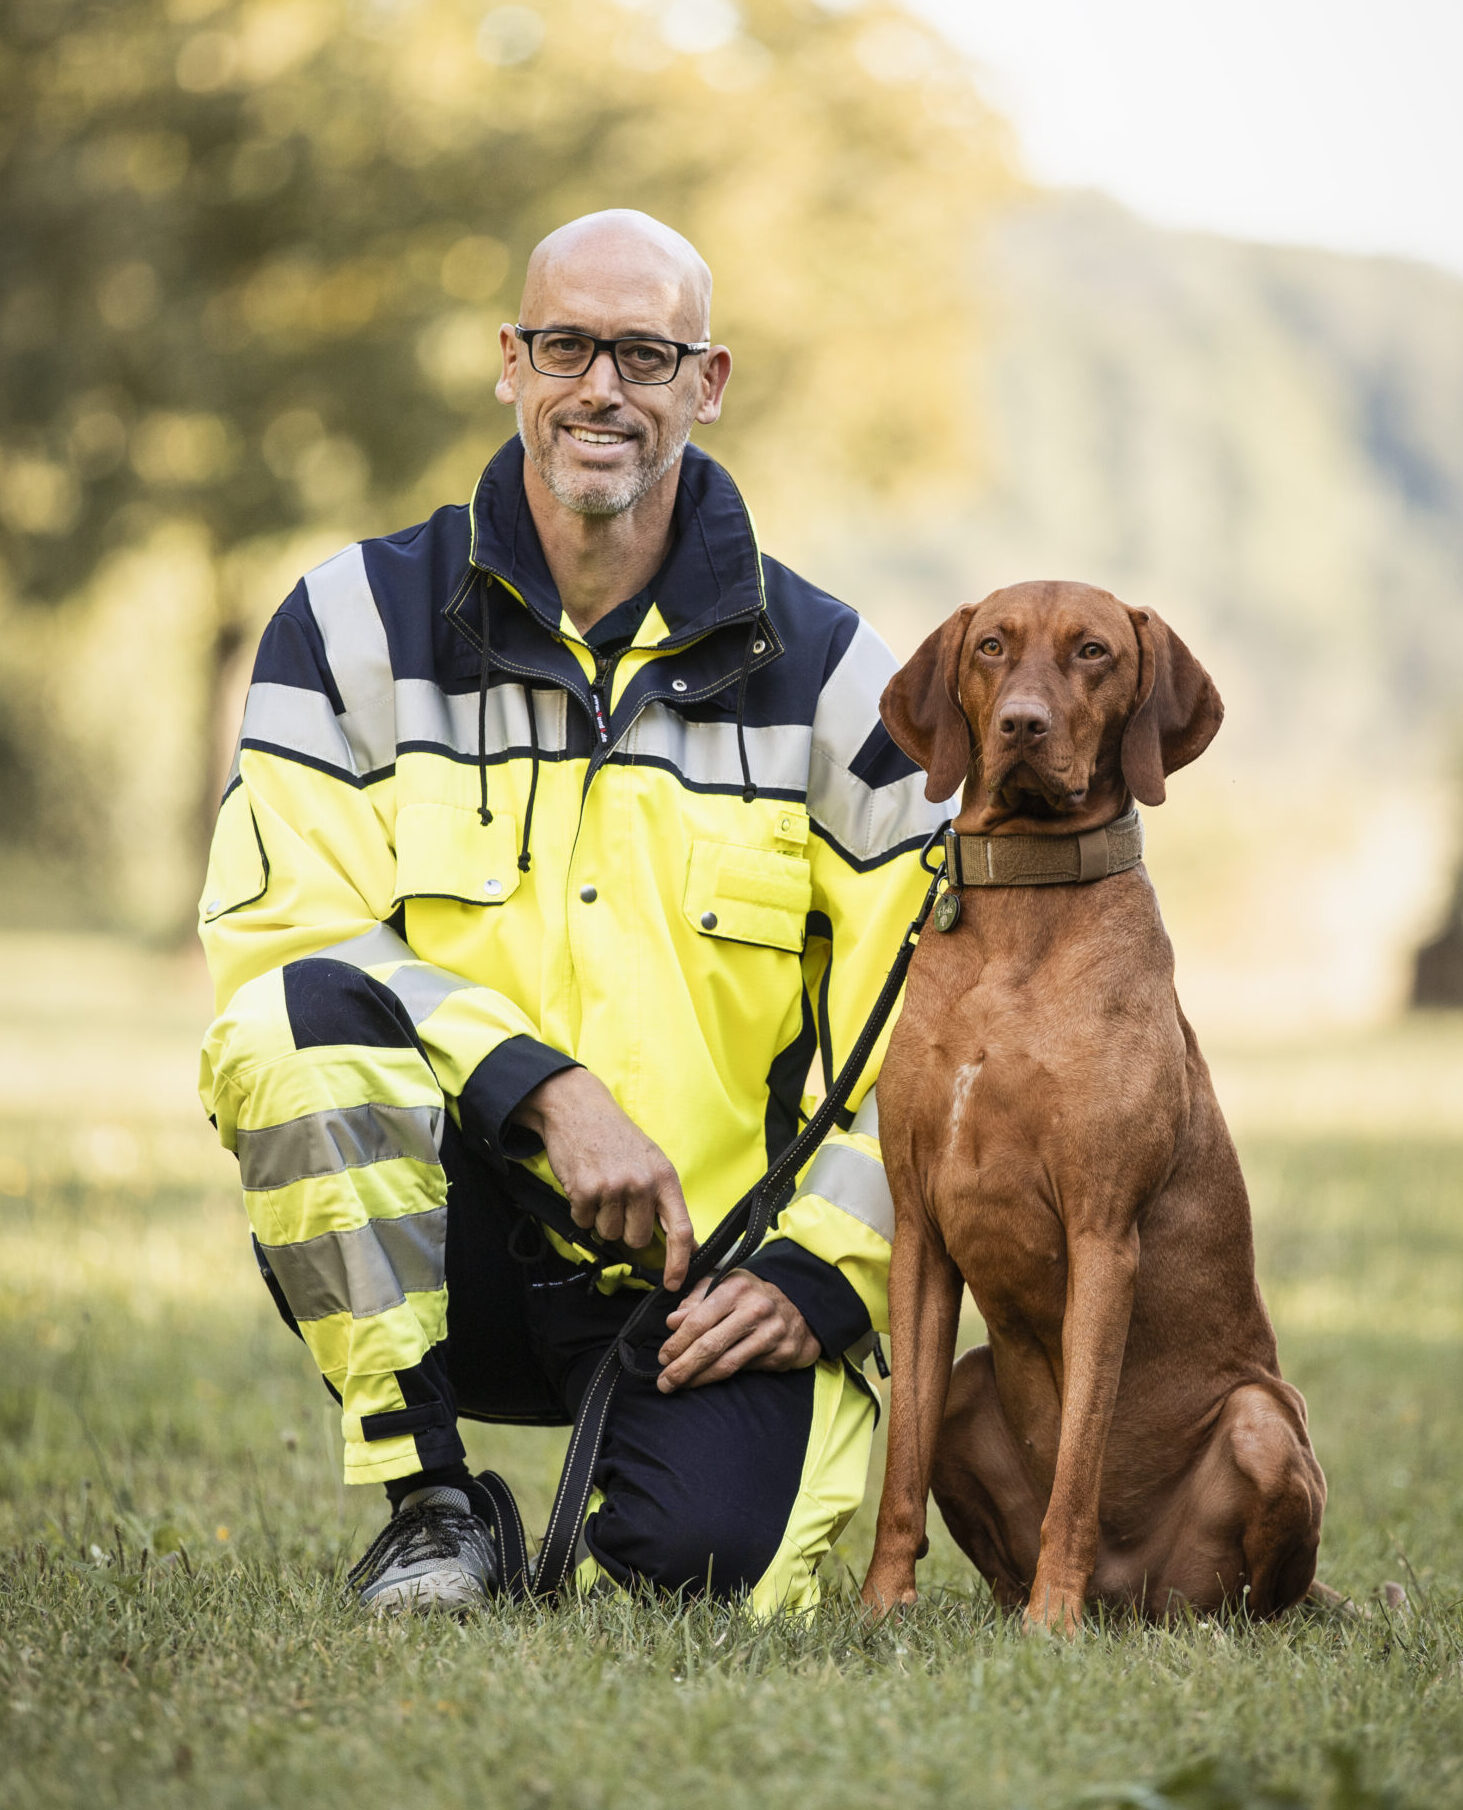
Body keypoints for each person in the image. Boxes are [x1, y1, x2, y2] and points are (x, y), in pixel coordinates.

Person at [198, 210, 942, 1616]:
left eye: (645, 354)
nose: (601, 387)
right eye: (565, 347)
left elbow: (934, 1027)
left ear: (706, 382)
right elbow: (286, 939)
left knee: (712, 1585)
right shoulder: (349, 626)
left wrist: (828, 1274)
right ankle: (431, 1505)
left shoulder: (839, 679)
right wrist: (541, 1089)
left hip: (720, 1273)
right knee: (289, 1035)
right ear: (511, 361)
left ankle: (685, 1474)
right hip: (460, 1230)